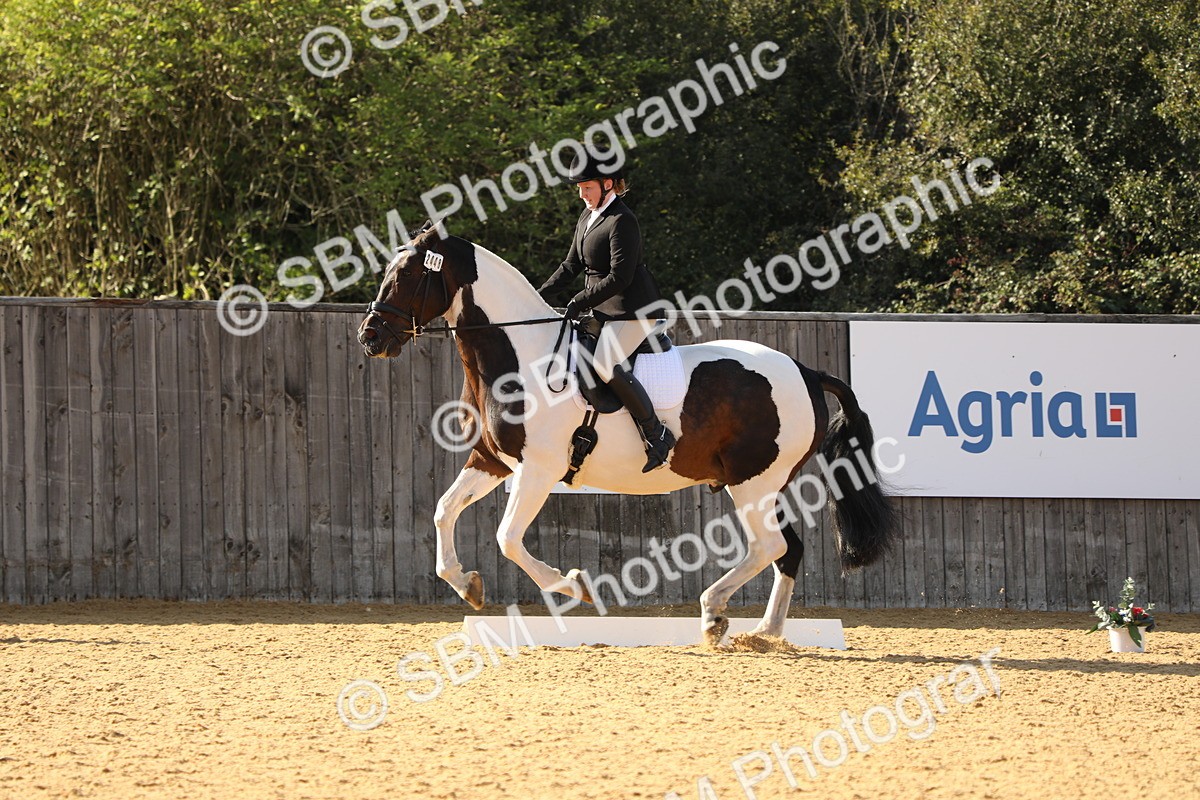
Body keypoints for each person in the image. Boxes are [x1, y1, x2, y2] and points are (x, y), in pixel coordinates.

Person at [538, 153, 675, 472]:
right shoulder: (587, 219)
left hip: (633, 310)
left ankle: (657, 435)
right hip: (602, 311)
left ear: (607, 184)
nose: (582, 195)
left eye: (587, 188)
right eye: (580, 188)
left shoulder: (622, 220)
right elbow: (569, 266)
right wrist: (536, 295)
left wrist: (580, 301)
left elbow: (620, 277)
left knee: (604, 363)